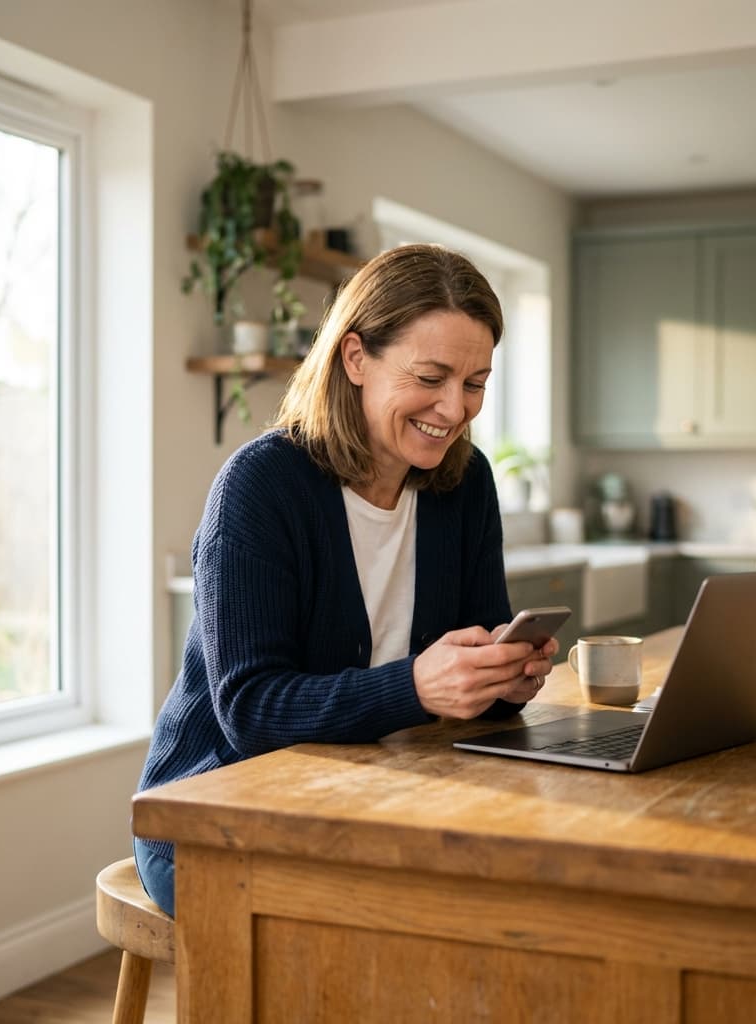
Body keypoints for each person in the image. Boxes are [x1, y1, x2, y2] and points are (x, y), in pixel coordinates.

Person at [134, 243, 557, 915]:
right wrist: (418, 684)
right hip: (213, 815)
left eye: (475, 382)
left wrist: (503, 677)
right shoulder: (261, 487)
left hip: (382, 790)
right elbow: (249, 711)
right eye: (431, 377)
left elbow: (467, 685)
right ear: (355, 357)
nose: (454, 409)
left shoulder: (466, 484)